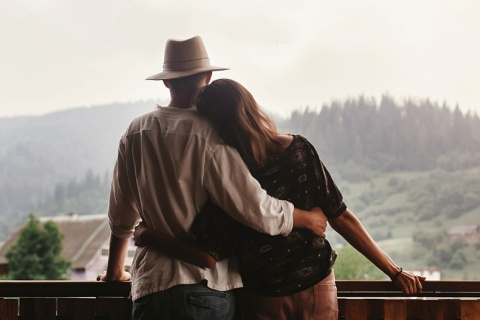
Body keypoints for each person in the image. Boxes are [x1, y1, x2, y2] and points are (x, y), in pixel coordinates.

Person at [134, 78, 425, 320]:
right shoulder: (298, 150)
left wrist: (146, 234)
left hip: (264, 296)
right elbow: (340, 216)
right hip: (317, 285)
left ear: (211, 124)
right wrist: (394, 272)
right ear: (249, 106)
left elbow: (206, 253)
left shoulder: (228, 176)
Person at [97, 36, 328, 320]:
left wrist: (114, 273)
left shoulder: (135, 132)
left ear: (166, 81)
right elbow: (256, 210)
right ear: (207, 77)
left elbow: (120, 218)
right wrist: (307, 218)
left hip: (150, 289)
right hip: (205, 287)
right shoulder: (211, 134)